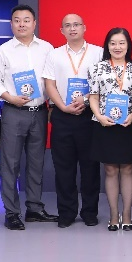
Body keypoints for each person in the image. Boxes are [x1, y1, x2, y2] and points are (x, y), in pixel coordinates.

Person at [0, 5, 56, 230]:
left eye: (26, 20)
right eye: (17, 20)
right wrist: (9, 97)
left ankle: (34, 208)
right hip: (13, 111)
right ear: (11, 24)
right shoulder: (2, 50)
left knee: (36, 162)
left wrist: (53, 104)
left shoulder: (47, 48)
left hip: (40, 112)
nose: (22, 24)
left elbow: (52, 80)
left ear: (34, 23)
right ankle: (12, 212)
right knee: (11, 164)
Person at [42, 13, 103, 227]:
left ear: (84, 27)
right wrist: (62, 106)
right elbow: (49, 84)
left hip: (90, 114)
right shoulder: (54, 54)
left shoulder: (98, 52)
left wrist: (85, 100)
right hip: (62, 115)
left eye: (76, 24)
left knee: (90, 167)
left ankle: (90, 212)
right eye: (67, 25)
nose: (72, 28)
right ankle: (66, 212)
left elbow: (103, 83)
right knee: (63, 167)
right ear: (62, 31)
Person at [88, 28, 132, 230]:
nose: (117, 47)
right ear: (107, 46)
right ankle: (113, 214)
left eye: (121, 43)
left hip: (129, 123)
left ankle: (127, 214)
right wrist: (99, 116)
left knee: (128, 169)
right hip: (105, 124)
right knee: (110, 169)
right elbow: (93, 96)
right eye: (113, 43)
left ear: (128, 45)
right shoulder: (97, 68)